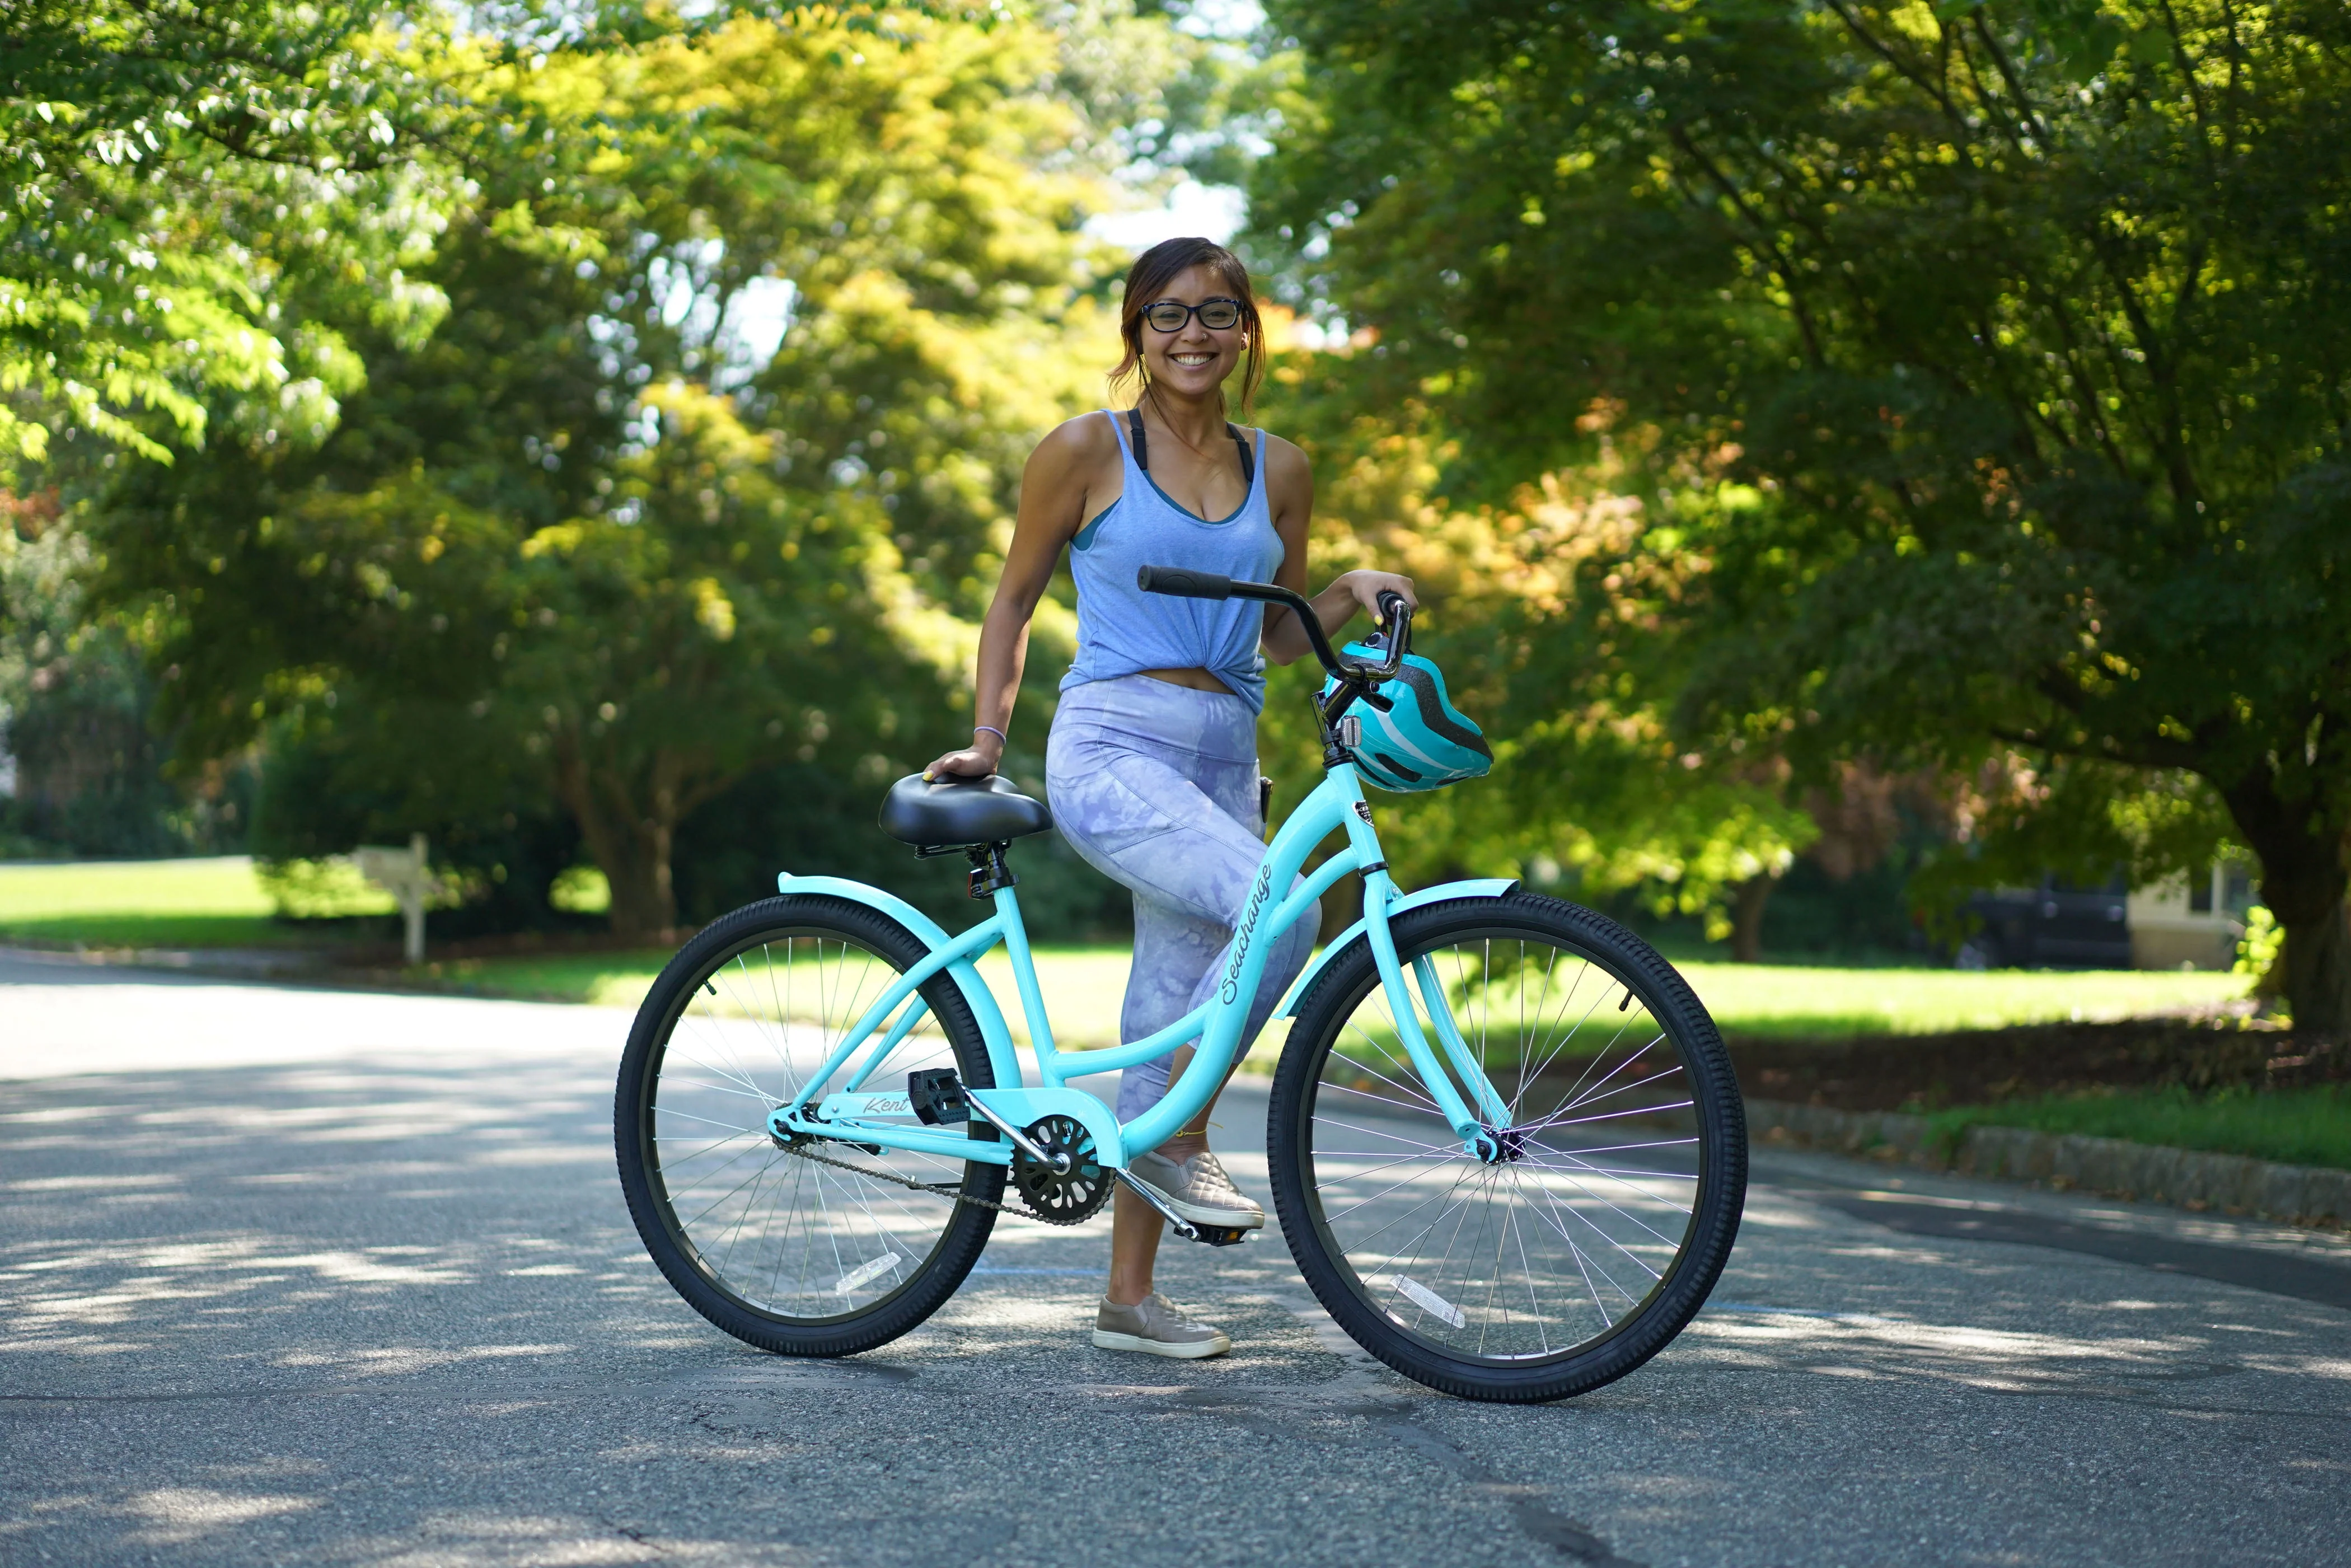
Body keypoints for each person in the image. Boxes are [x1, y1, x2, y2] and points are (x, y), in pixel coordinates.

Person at [922, 237, 1416, 1360]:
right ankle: (1177, 1135)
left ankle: (1129, 1297)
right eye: (1169, 313)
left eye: (1218, 313)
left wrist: (1349, 588)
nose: (1193, 334)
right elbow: (1011, 602)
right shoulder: (1085, 450)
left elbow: (1279, 632)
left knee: (1175, 998)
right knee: (1285, 909)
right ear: (1136, 329)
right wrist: (990, 736)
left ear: (1248, 330)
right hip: (1111, 745)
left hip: (1221, 757)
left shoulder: (1280, 466)